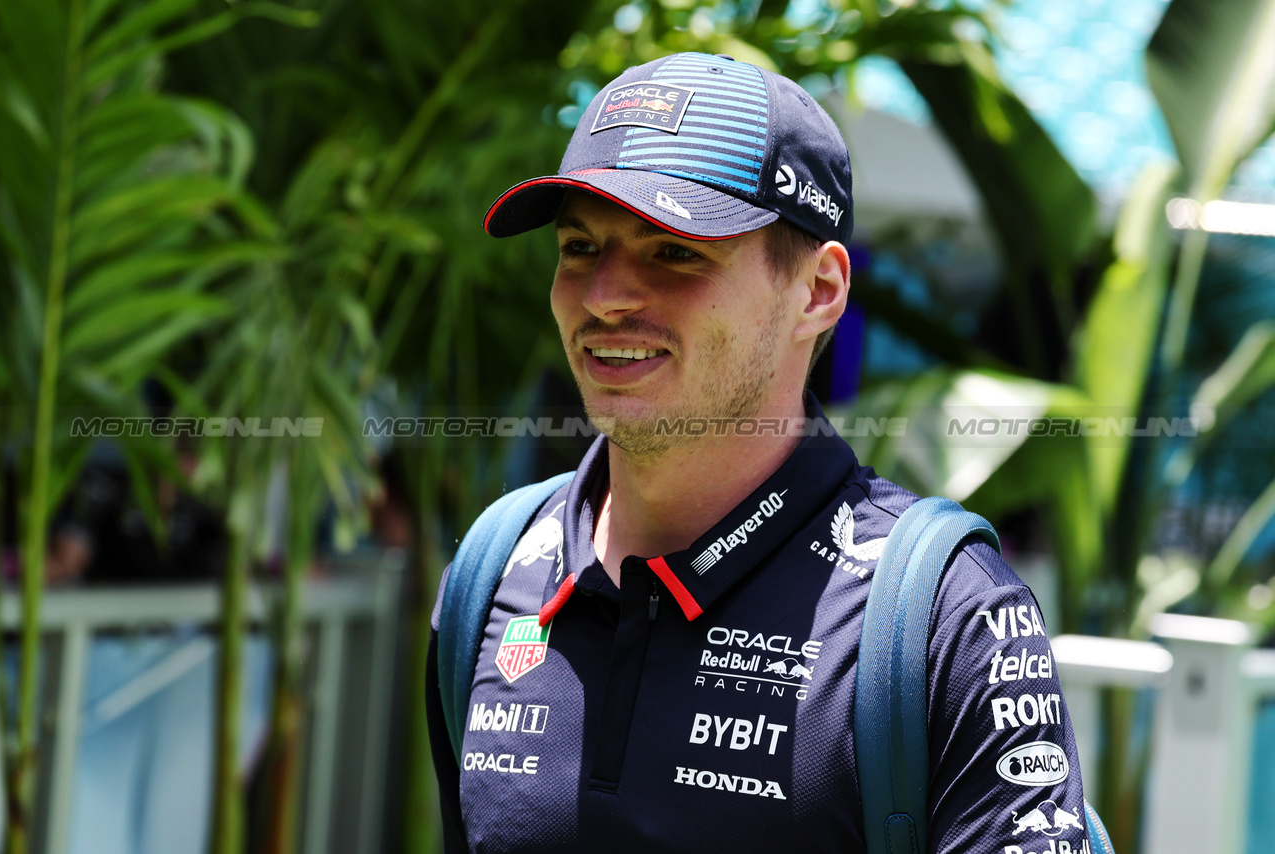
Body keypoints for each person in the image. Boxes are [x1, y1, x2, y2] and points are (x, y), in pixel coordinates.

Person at [427, 52, 1089, 854]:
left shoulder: (944, 619)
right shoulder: (495, 570)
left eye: (674, 252)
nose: (604, 296)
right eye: (579, 248)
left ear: (818, 291)